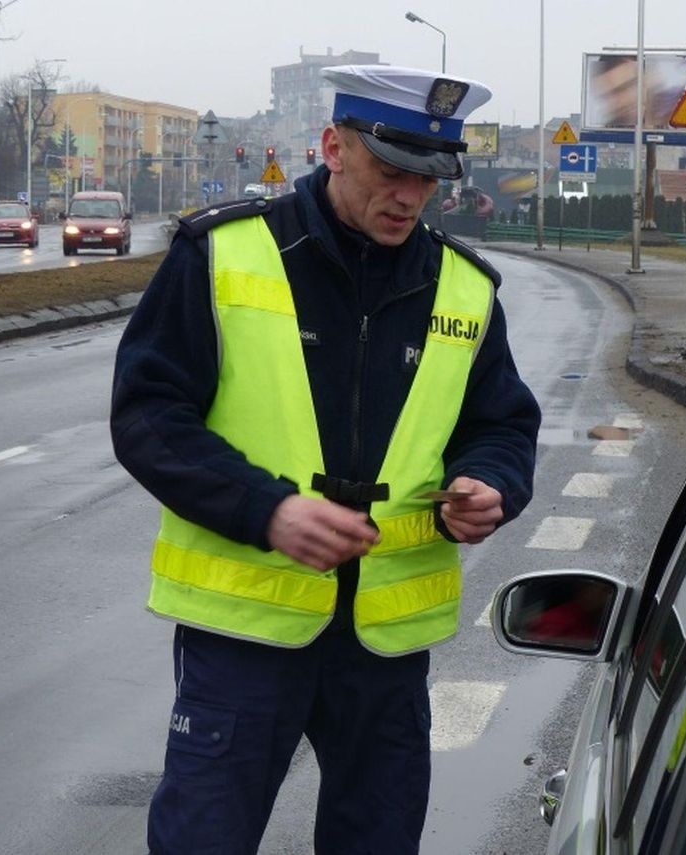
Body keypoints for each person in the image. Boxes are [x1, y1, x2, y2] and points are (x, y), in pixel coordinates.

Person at [110, 64, 541, 855]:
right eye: (392, 169)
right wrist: (265, 508)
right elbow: (148, 416)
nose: (410, 196)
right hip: (246, 636)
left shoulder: (464, 288)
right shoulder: (223, 253)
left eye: (430, 177)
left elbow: (501, 422)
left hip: (385, 648)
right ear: (332, 146)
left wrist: (493, 483)